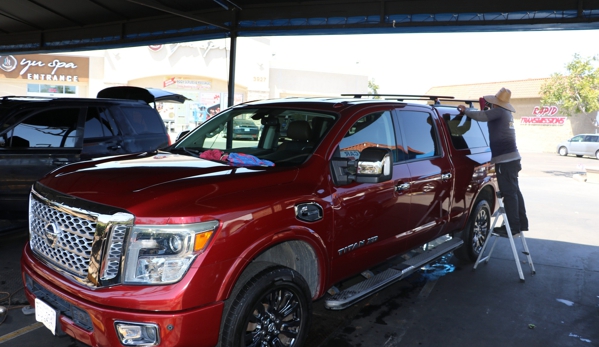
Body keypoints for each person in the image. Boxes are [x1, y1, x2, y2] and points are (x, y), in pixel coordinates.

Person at [457, 87, 529, 236]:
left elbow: (482, 116)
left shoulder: (499, 112)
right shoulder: (506, 113)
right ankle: (520, 223)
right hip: (512, 159)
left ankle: (513, 228)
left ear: (496, 104)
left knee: (509, 193)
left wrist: (465, 111)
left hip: (506, 161)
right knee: (514, 192)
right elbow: (486, 115)